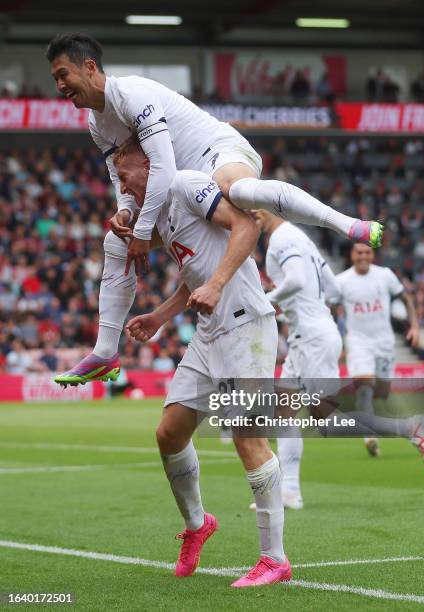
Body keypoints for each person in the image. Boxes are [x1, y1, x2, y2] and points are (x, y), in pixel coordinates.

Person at [46, 32, 383, 386]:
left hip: (216, 154)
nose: (59, 85)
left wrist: (144, 233)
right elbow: (122, 178)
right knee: (115, 242)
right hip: (183, 189)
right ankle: (104, 352)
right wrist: (127, 214)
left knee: (236, 189)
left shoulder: (133, 95)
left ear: (89, 67)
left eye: (63, 74)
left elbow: (162, 167)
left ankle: (347, 224)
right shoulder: (96, 123)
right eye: (55, 78)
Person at [115, 136, 290, 586]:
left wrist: (216, 284)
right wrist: (159, 316)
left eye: (125, 174)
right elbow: (195, 276)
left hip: (246, 325)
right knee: (169, 433)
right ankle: (198, 526)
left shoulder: (186, 184)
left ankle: (275, 559)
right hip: (210, 333)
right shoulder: (164, 215)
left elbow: (247, 227)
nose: (122, 185)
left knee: (248, 438)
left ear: (148, 165)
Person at [253, 211, 342, 510]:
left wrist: (265, 301)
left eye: (255, 206)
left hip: (312, 338)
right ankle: (289, 491)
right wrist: (300, 306)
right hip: (310, 336)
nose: (251, 212)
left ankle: (405, 427)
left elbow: (296, 279)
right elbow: (335, 290)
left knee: (326, 418)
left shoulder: (282, 238)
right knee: (283, 411)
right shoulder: (302, 238)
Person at [335, 243, 424, 467]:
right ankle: (369, 435)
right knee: (364, 386)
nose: (362, 256)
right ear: (351, 254)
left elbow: (405, 299)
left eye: (367, 252)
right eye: (358, 252)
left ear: (373, 255)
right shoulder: (341, 281)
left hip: (384, 342)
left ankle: (381, 424)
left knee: (382, 391)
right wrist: (336, 338)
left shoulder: (385, 275)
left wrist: (415, 326)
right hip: (359, 342)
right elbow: (331, 307)